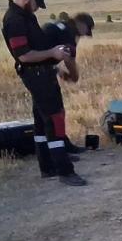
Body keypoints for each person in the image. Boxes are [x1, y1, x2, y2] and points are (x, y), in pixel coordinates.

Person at [1, 0, 86, 186]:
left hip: (43, 73)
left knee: (41, 122)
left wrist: (53, 62)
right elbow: (24, 55)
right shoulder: (15, 20)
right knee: (55, 120)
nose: (37, 8)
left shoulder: (25, 16)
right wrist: (52, 53)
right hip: (37, 75)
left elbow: (35, 47)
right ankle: (65, 171)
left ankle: (47, 166)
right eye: (36, 3)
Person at [42, 12, 93, 153]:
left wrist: (56, 70)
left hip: (38, 70)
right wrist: (74, 77)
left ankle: (51, 148)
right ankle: (60, 150)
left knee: (44, 113)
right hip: (42, 72)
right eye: (85, 31)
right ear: (81, 24)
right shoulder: (68, 33)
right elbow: (69, 60)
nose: (82, 36)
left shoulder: (60, 26)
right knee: (56, 112)